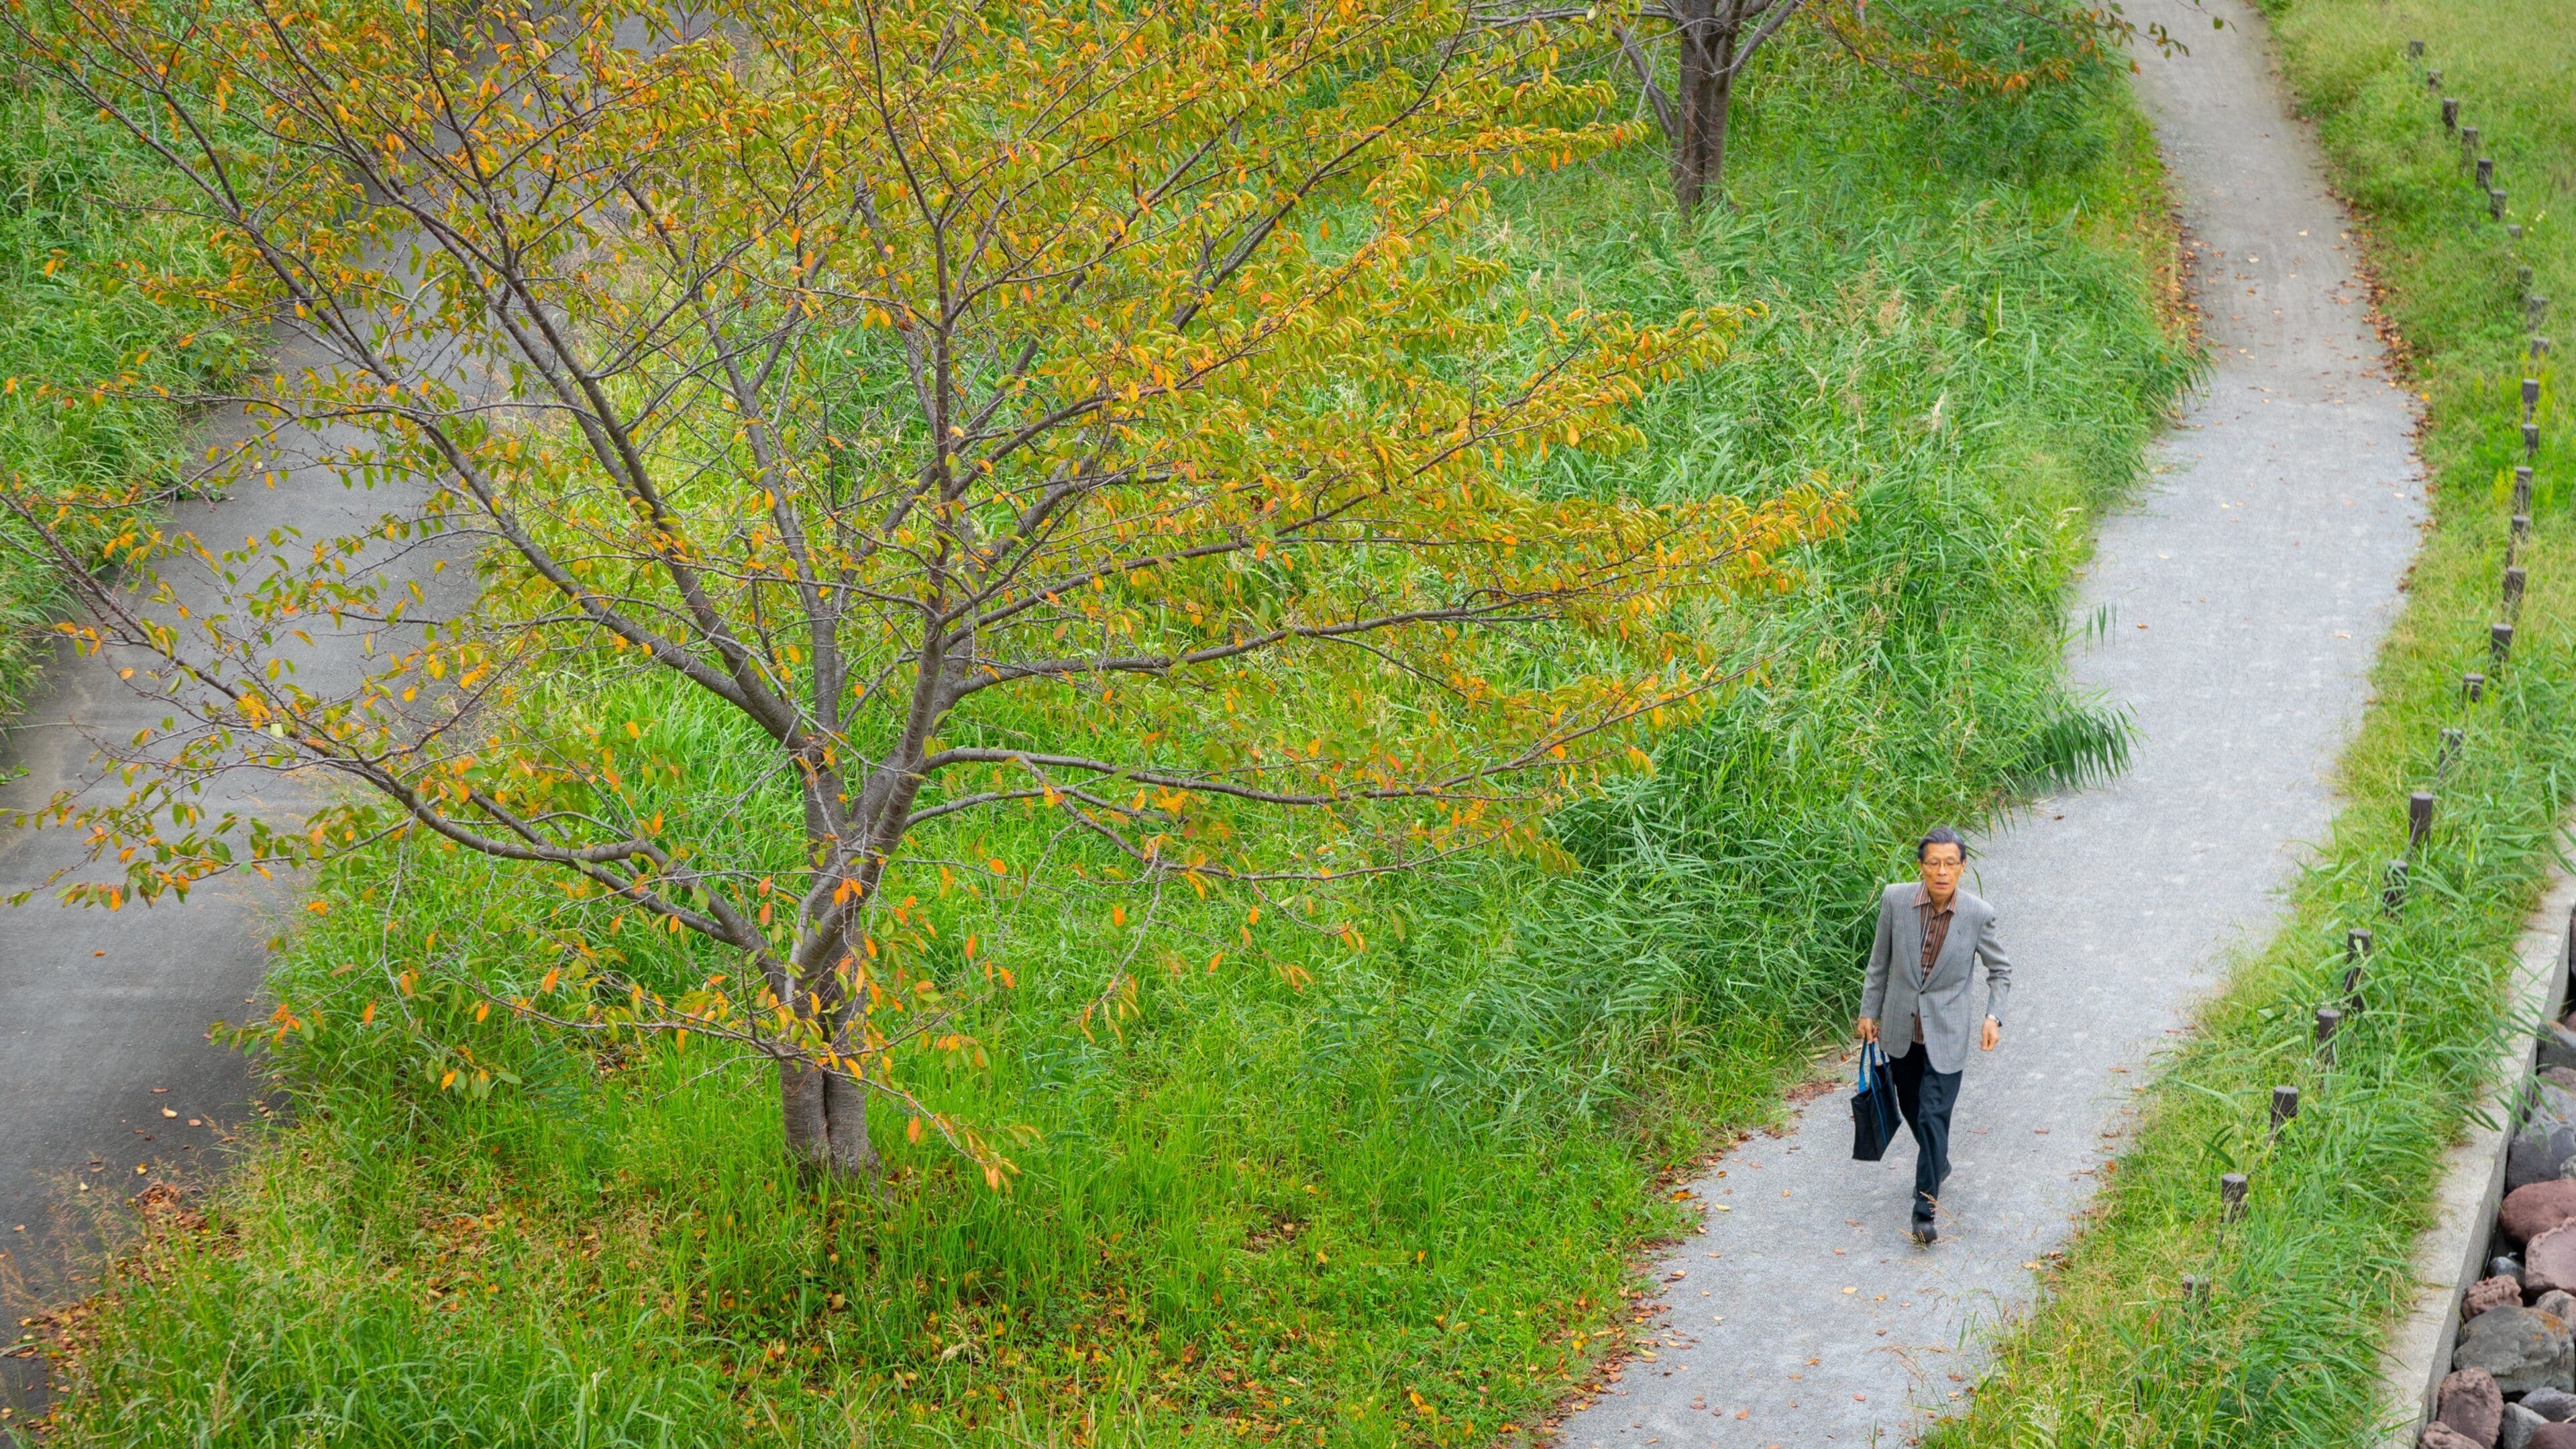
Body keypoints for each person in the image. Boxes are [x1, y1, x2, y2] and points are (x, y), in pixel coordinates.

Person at [1856, 826, 2011, 1244]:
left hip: (1948, 1033)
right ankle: (1937, 1161)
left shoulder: (1978, 914)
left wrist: (1993, 1016)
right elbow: (1879, 963)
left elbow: (2001, 971)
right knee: (1911, 1108)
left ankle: (1924, 1211)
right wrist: (1869, 1011)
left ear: (1962, 867)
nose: (1941, 871)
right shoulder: (1895, 900)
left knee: (1933, 1115)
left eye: (1950, 863)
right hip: (1902, 1030)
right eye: (1933, 863)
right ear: (1921, 866)